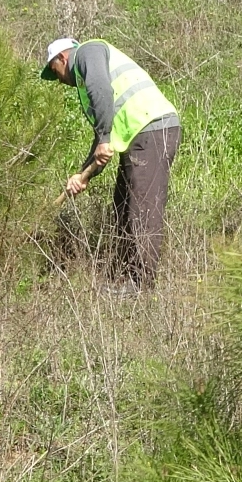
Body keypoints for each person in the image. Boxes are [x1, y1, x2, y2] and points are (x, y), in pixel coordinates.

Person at [41, 37, 180, 293]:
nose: (59, 80)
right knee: (123, 204)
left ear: (62, 58)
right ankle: (123, 277)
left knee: (142, 207)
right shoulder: (86, 82)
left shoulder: (88, 52)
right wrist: (81, 175)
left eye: (54, 71)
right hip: (139, 135)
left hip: (153, 128)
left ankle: (140, 285)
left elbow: (102, 90)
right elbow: (101, 141)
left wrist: (105, 139)